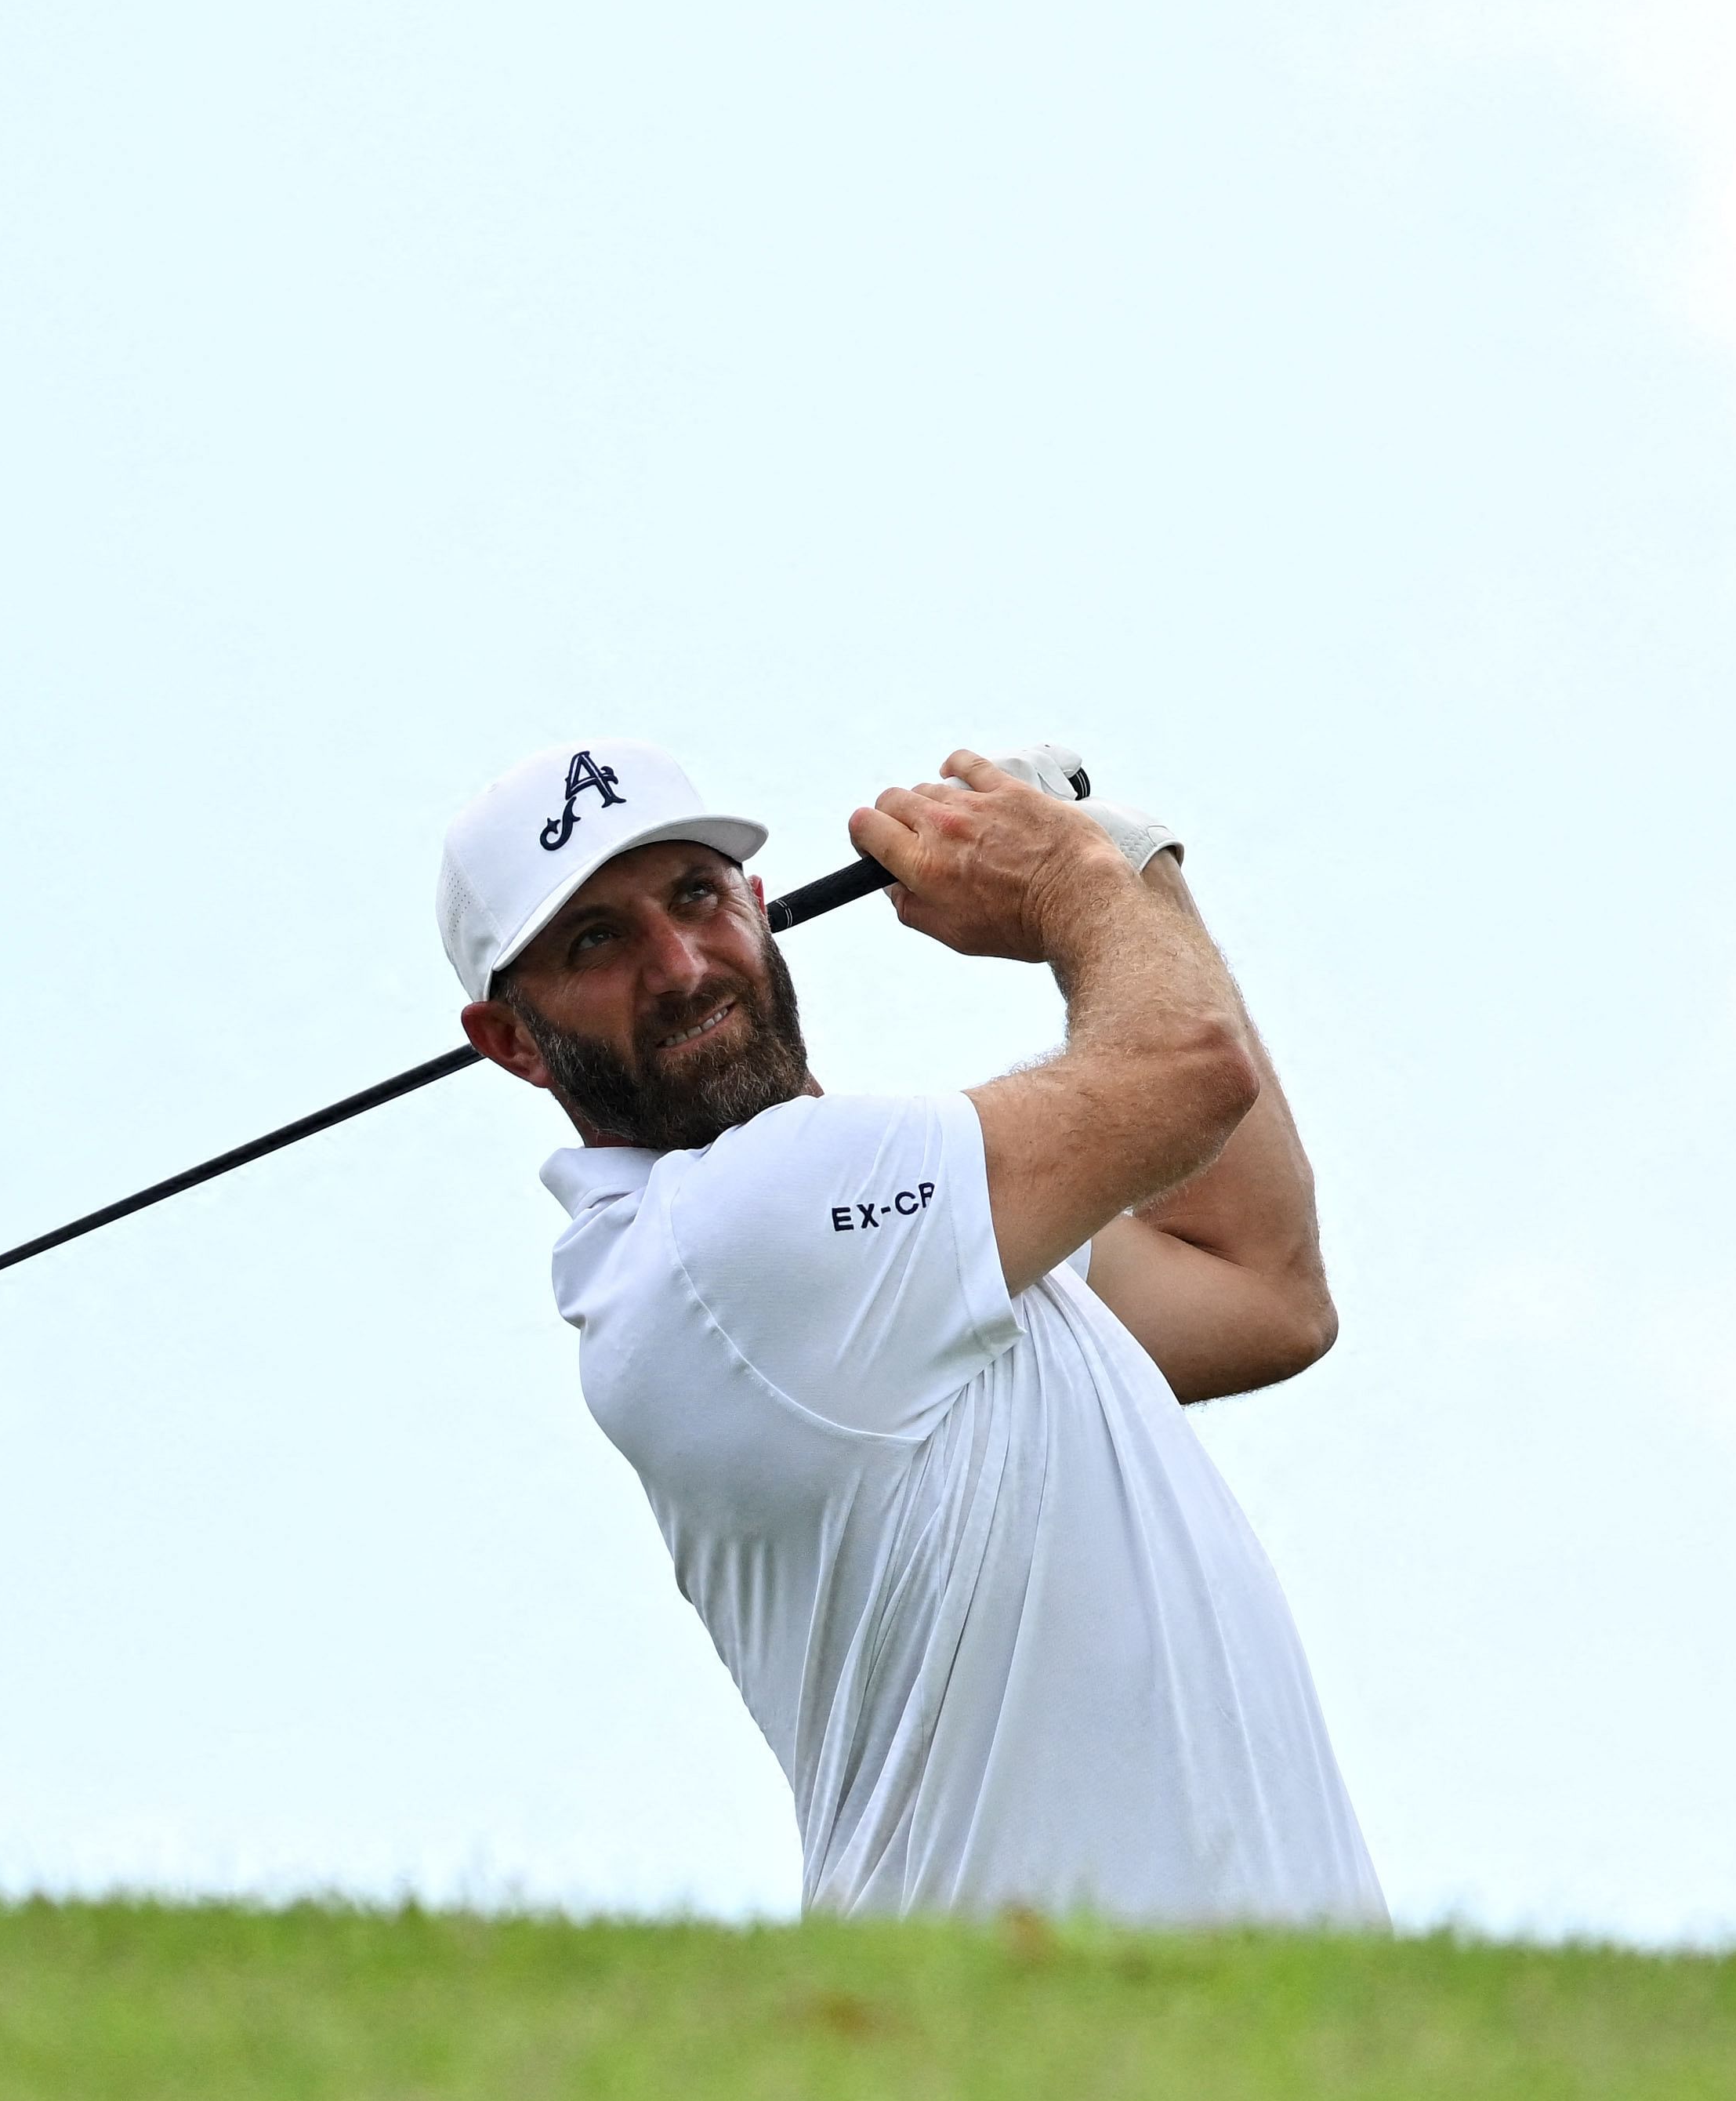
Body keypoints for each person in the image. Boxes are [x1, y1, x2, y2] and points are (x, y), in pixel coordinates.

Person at [436, 738, 1381, 1926]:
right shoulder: (729, 1232)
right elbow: (1189, 1069)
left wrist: (1122, 861)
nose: (679, 966)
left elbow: (1260, 1286)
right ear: (511, 1042)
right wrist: (1075, 880)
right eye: (596, 942)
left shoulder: (910, 1240)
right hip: (1034, 2047)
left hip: (1251, 2036)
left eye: (695, 897)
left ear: (760, 909)